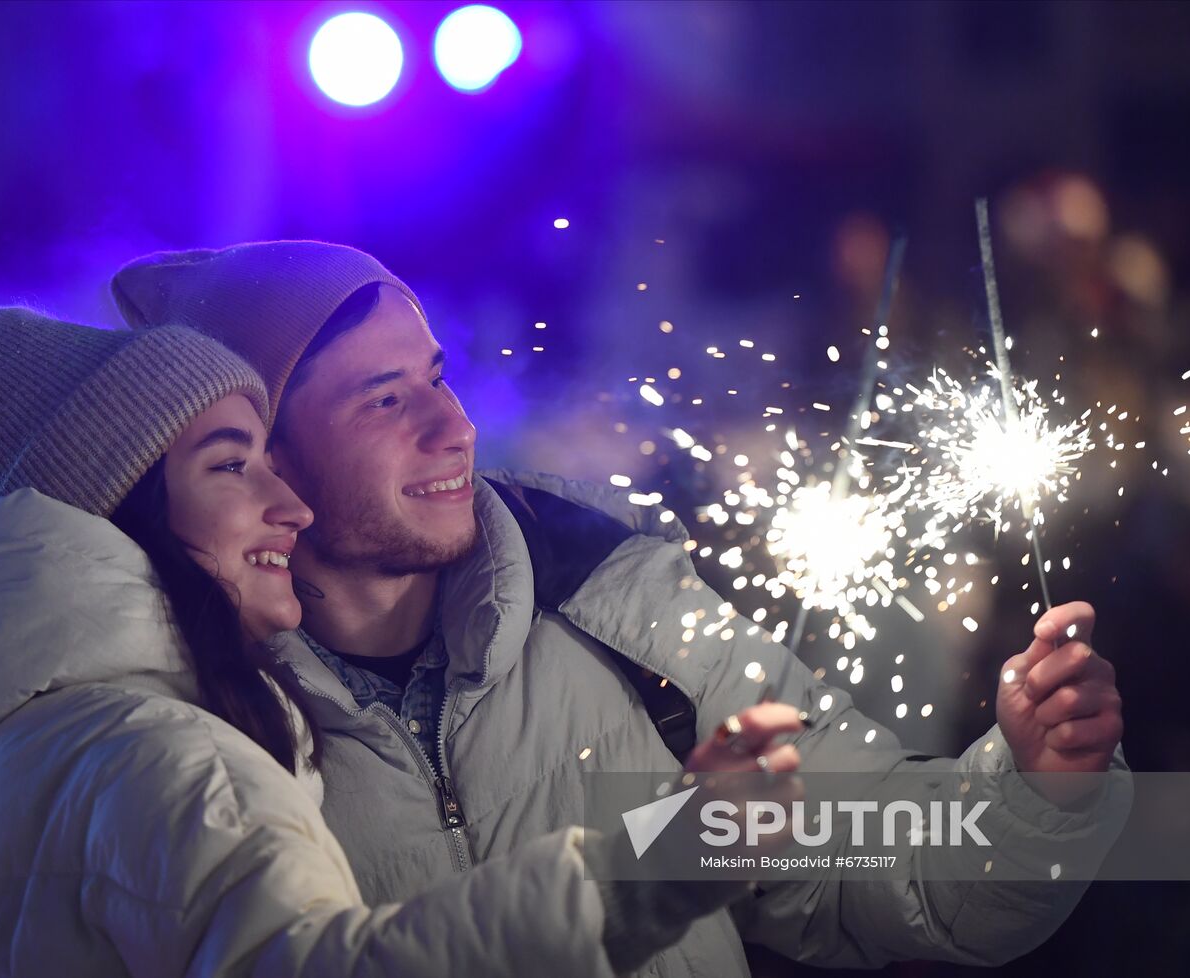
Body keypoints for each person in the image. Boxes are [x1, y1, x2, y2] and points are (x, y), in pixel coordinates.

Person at [112, 240, 1134, 974]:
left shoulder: (617, 602)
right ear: (264, 456)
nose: (452, 427)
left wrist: (1033, 793)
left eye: (437, 378)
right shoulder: (196, 729)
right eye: (383, 400)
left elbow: (874, 869)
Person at [0, 307, 792, 976]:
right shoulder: (168, 758)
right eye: (232, 465)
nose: (290, 505)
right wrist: (665, 863)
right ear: (122, 513)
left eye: (438, 379)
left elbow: (848, 844)